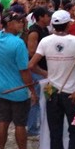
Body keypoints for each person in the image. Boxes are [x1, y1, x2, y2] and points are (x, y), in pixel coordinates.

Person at [29, 9, 75, 149]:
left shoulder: (46, 41)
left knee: (55, 131)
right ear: (69, 24)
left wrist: (47, 73)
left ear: (53, 24)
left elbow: (31, 65)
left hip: (52, 92)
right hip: (71, 93)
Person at [0, 11, 38, 149]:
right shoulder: (18, 44)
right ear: (9, 24)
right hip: (18, 91)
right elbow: (24, 71)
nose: (22, 24)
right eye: (18, 22)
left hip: (2, 89)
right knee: (20, 124)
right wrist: (33, 91)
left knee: (3, 121)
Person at [26, 7, 51, 137]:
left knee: (45, 99)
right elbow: (32, 53)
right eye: (47, 16)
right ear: (41, 17)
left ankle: (40, 125)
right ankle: (31, 128)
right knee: (35, 100)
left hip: (44, 71)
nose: (49, 18)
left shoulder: (45, 30)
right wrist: (42, 71)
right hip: (37, 72)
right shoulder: (34, 32)